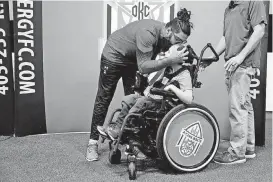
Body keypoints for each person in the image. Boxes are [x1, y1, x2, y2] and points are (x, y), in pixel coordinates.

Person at [86, 8, 193, 162]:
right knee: (104, 98)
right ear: (169, 30)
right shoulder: (148, 33)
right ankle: (93, 143)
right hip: (114, 55)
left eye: (183, 41)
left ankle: (131, 144)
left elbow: (151, 62)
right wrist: (170, 60)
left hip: (133, 61)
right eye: (178, 40)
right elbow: (144, 66)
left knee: (137, 100)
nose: (180, 44)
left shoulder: (167, 37)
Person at [97, 43, 194, 159]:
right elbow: (155, 83)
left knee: (139, 104)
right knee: (130, 98)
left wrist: (172, 88)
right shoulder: (168, 69)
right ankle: (117, 128)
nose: (166, 54)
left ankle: (123, 133)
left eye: (169, 52)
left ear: (179, 57)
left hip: (164, 105)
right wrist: (148, 89)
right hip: (154, 98)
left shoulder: (184, 74)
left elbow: (188, 99)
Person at [202, 0, 267, 164]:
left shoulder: (253, 1)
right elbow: (226, 37)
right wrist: (211, 58)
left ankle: (237, 153)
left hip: (243, 64)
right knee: (245, 106)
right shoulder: (229, 8)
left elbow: (259, 30)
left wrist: (240, 57)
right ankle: (248, 148)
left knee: (237, 108)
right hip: (232, 64)